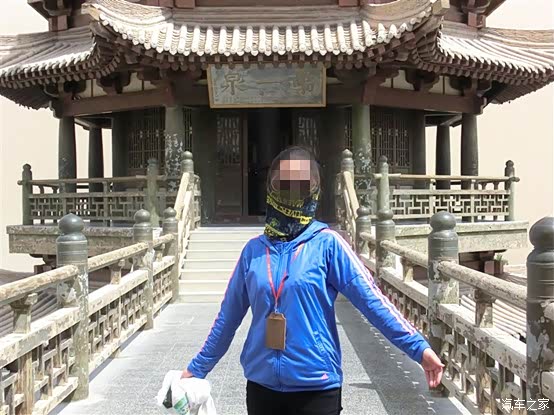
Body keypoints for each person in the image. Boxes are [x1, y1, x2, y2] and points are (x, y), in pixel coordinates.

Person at [181, 146, 444, 415]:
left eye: (302, 186)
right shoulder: (253, 252)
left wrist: (418, 348)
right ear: (270, 187)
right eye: (284, 184)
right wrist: (197, 368)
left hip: (317, 389)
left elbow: (373, 301)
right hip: (262, 388)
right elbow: (228, 318)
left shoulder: (328, 245)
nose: (292, 193)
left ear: (315, 190)